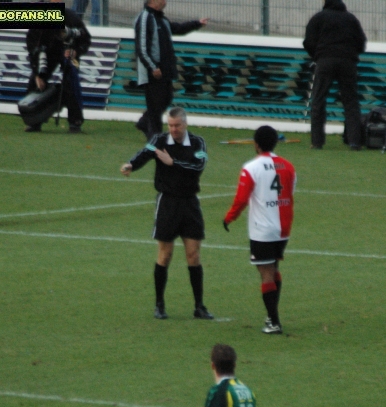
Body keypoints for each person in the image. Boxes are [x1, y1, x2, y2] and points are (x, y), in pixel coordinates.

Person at [120, 107, 213, 320]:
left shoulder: (198, 143)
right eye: (170, 125)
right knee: (165, 253)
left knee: (193, 254)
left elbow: (198, 166)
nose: (173, 130)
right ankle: (159, 305)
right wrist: (131, 165)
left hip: (190, 202)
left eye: (177, 126)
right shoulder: (160, 140)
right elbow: (144, 153)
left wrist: (173, 163)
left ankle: (199, 306)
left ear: (185, 124)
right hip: (167, 203)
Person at [223, 126, 296, 334]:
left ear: (256, 144)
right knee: (273, 269)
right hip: (283, 229)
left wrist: (229, 218)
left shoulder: (251, 167)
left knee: (265, 272)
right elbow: (290, 193)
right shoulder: (289, 166)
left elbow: (241, 199)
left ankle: (274, 321)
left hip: (262, 230)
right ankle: (271, 316)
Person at [134, 0, 208, 140]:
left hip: (165, 69)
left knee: (166, 99)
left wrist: (196, 24)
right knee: (155, 105)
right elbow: (141, 47)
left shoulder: (161, 18)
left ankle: (144, 123)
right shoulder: (144, 18)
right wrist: (152, 67)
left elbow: (177, 28)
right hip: (154, 71)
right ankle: (155, 137)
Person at [303, 0, 366, 151]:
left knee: (318, 100)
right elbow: (361, 42)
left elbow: (308, 42)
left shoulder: (318, 18)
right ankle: (354, 142)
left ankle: (317, 142)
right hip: (347, 63)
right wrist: (350, 55)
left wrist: (318, 56)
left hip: (325, 61)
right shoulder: (351, 19)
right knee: (351, 102)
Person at [24, 0, 90, 133]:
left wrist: (75, 51)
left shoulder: (70, 17)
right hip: (47, 55)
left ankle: (75, 122)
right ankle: (34, 121)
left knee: (71, 80)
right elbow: (32, 48)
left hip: (67, 53)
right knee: (35, 82)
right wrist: (37, 73)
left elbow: (85, 39)